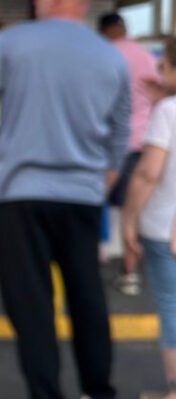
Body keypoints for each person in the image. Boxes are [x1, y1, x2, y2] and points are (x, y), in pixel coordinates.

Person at [0, 0, 131, 397]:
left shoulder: (9, 42)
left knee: (32, 307)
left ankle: (45, 393)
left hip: (18, 195)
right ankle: (98, 389)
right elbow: (121, 133)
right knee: (87, 296)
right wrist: (101, 177)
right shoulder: (110, 56)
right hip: (82, 195)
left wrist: (8, 149)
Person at [123, 38, 176, 399]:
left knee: (172, 307)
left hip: (165, 227)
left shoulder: (168, 111)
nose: (158, 73)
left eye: (164, 66)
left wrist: (129, 218)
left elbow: (149, 174)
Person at [99, 12, 160, 296]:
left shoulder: (103, 55)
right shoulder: (146, 56)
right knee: (132, 210)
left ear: (105, 30)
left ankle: (97, 260)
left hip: (110, 143)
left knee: (95, 199)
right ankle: (131, 272)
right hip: (145, 142)